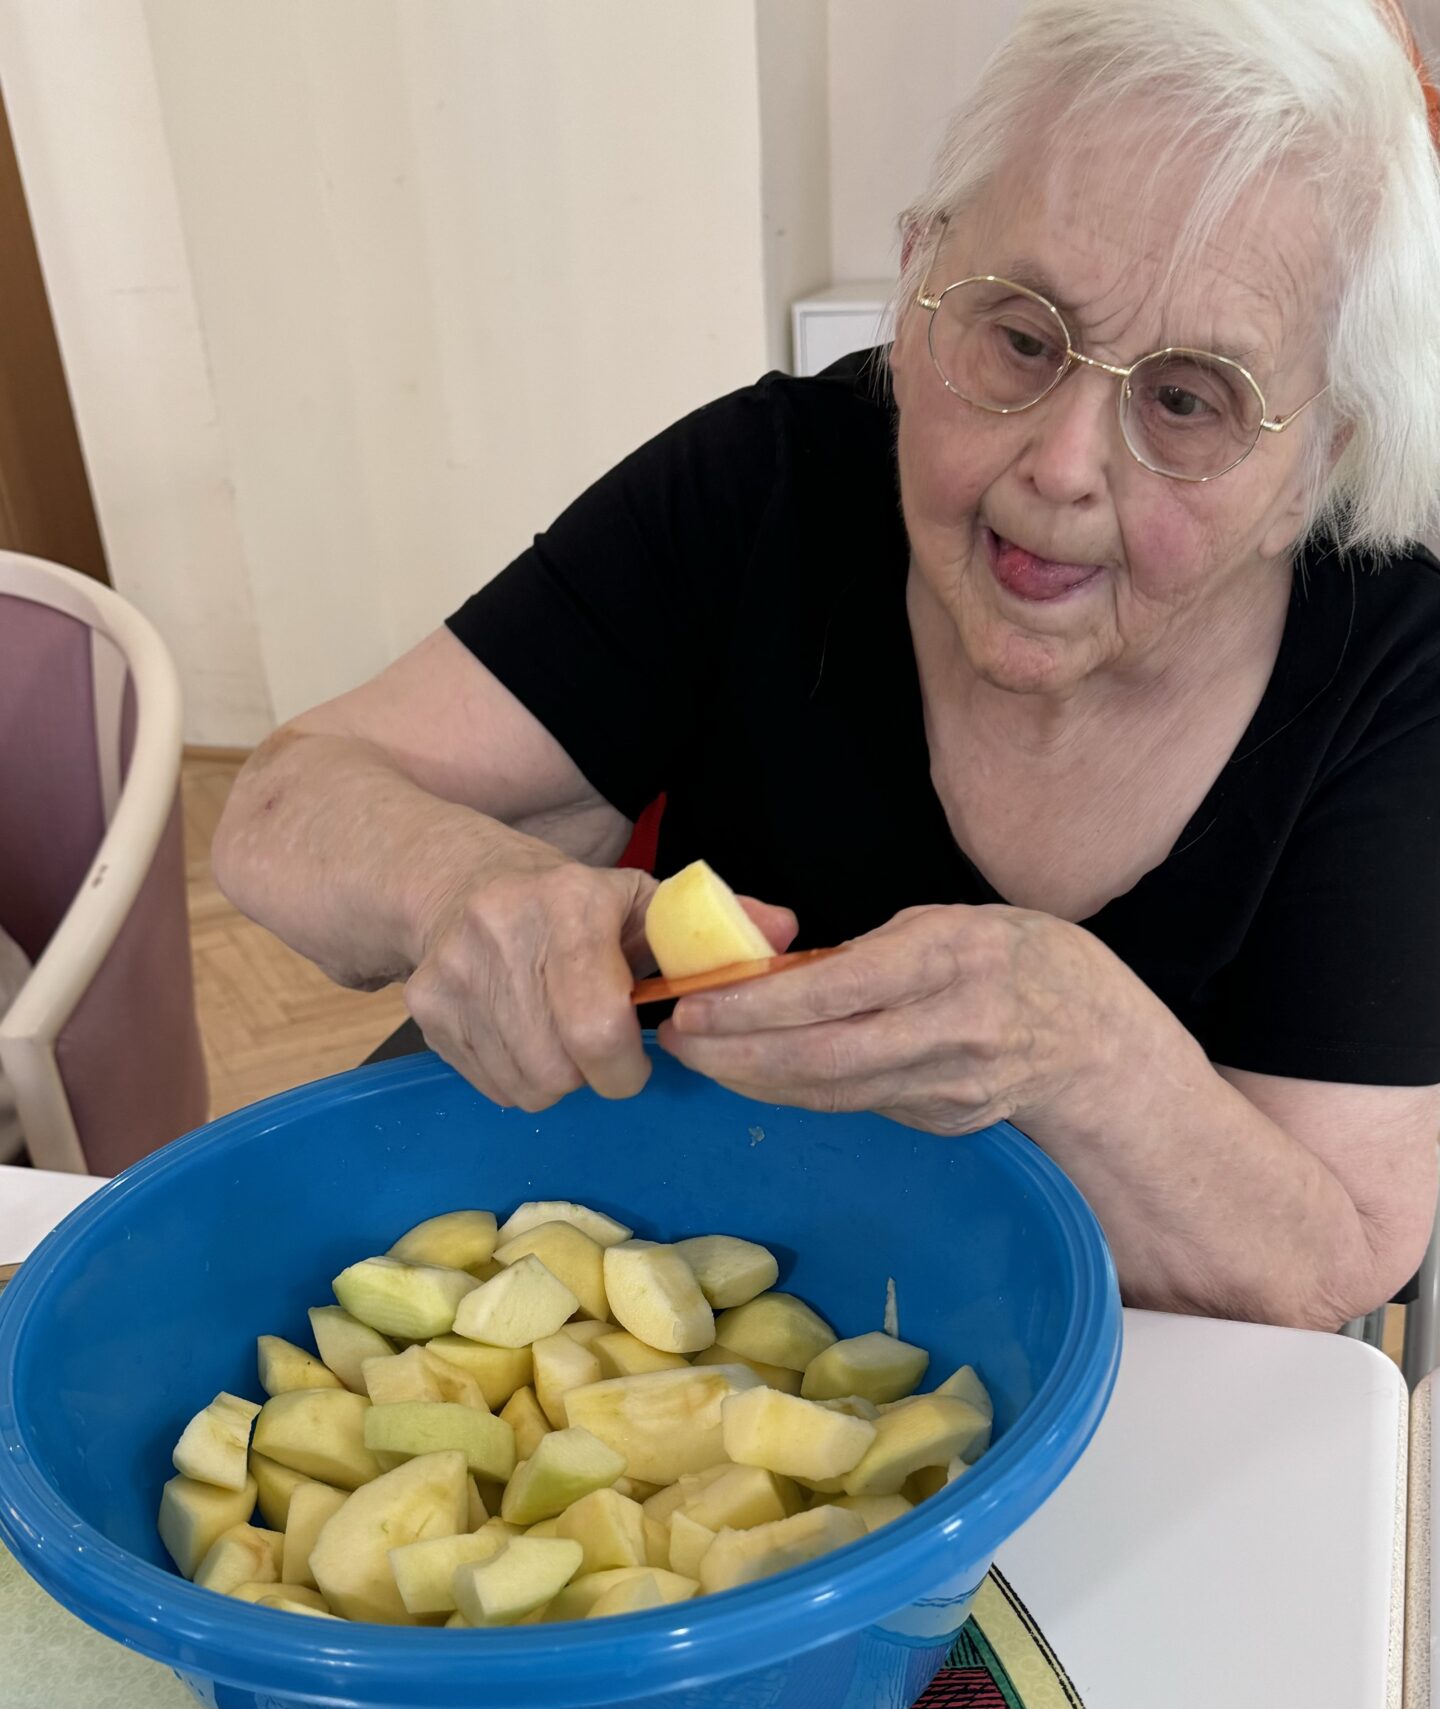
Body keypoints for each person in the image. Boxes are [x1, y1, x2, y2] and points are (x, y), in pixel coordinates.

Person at [213, 0, 1440, 1330]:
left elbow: (1334, 1264)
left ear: (1317, 463)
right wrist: (461, 883)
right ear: (916, 293)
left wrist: (1082, 1048)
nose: (1064, 468)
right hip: (717, 1306)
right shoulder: (767, 487)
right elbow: (279, 808)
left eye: (1188, 399)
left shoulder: (1398, 662)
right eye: (1022, 337)